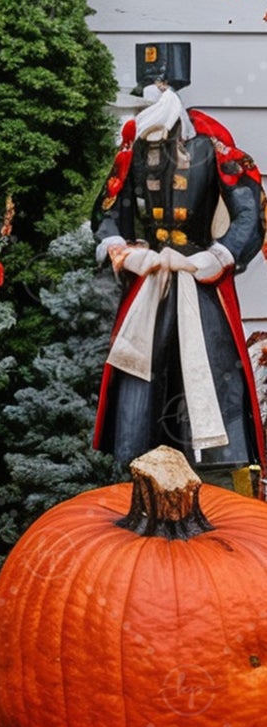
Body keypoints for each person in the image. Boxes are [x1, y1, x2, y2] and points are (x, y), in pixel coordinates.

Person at [93, 41, 264, 471]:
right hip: (147, 285)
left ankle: (217, 479)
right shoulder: (131, 148)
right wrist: (121, 251)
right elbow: (109, 212)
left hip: (199, 283)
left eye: (162, 83)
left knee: (211, 372)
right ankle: (137, 475)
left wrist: (219, 256)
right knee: (139, 382)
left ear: (174, 91)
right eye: (148, 85)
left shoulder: (212, 142)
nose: (153, 92)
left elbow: (249, 209)